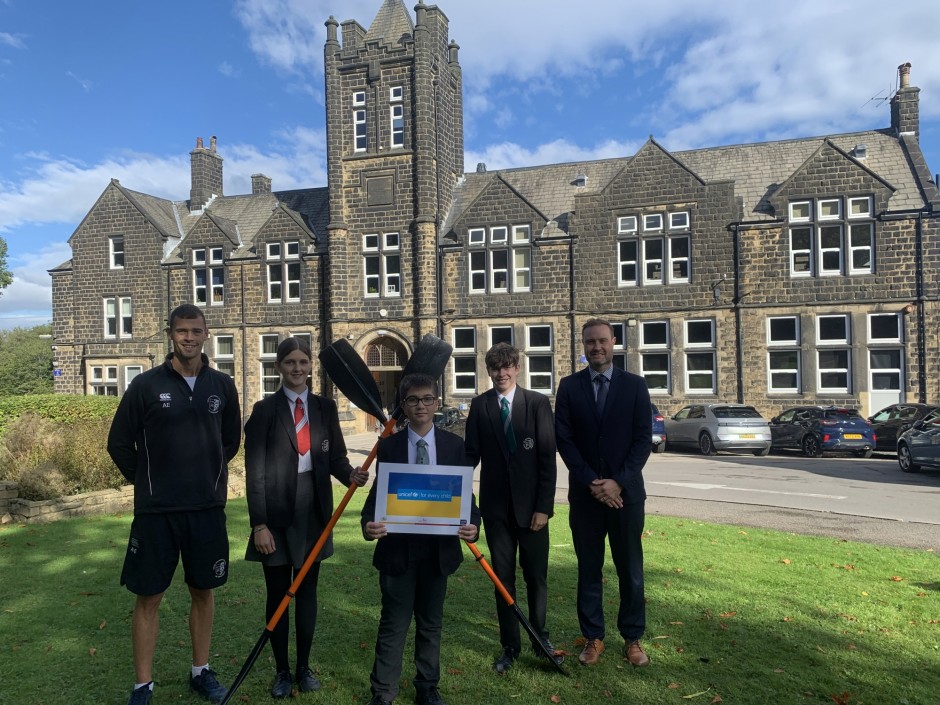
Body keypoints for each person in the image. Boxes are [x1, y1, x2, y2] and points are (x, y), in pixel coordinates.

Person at [107, 304, 241, 705]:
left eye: (195, 331)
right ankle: (142, 685)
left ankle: (200, 671)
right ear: (170, 334)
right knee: (148, 597)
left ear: (206, 334)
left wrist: (208, 476)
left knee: (204, 591)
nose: (189, 338)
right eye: (181, 331)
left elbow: (230, 442)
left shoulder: (222, 386)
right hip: (157, 514)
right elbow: (118, 444)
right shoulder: (146, 386)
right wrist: (149, 482)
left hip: (205, 510)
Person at [244, 337, 369, 697]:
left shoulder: (324, 408)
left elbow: (335, 459)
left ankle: (303, 667)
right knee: (279, 594)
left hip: (314, 513)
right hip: (276, 513)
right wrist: (259, 525)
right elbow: (256, 473)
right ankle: (282, 671)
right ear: (279, 367)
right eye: (289, 363)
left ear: (311, 366)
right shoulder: (264, 410)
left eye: (302, 362)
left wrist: (351, 475)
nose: (297, 368)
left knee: (308, 591)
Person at [361, 373, 480, 705]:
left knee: (431, 623)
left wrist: (472, 525)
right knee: (393, 624)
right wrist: (369, 524)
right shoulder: (389, 447)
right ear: (404, 406)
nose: (420, 406)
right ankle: (383, 691)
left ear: (437, 403)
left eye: (427, 399)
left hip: (438, 552)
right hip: (398, 553)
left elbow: (466, 499)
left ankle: (427, 687)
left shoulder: (455, 446)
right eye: (412, 400)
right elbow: (375, 501)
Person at [554, 318, 652, 668]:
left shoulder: (636, 387)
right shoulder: (569, 387)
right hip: (586, 496)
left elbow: (643, 441)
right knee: (589, 569)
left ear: (614, 342)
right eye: (589, 342)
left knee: (630, 568)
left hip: (626, 496)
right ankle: (593, 637)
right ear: (583, 346)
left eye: (602, 341)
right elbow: (564, 440)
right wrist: (594, 484)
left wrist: (618, 482)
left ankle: (633, 638)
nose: (596, 347)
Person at [464, 342, 559, 673]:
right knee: (503, 580)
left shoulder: (536, 404)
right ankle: (510, 644)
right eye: (495, 367)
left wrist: (544, 507)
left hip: (533, 511)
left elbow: (547, 459)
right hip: (496, 511)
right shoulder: (480, 406)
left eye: (507, 367)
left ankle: (539, 636)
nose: (501, 373)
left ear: (517, 368)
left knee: (536, 577)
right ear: (488, 371)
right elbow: (469, 457)